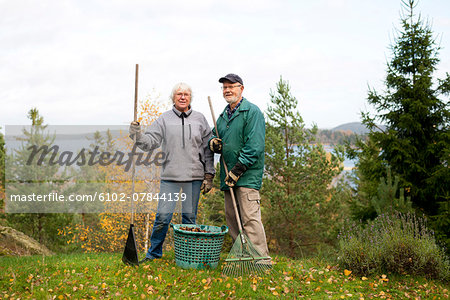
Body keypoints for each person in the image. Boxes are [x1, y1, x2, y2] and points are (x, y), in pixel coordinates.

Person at [129, 82, 215, 263]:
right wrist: (137, 135)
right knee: (162, 217)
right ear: (173, 98)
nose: (182, 97)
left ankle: (188, 255)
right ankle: (153, 254)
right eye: (178, 94)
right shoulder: (164, 119)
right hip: (170, 177)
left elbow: (209, 148)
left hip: (194, 177)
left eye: (186, 94)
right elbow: (148, 142)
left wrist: (209, 175)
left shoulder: (200, 119)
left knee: (189, 219)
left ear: (190, 98)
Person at [209, 73, 270, 261]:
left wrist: (238, 170)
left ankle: (260, 261)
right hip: (228, 177)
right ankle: (244, 257)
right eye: (224, 87)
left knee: (250, 220)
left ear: (241, 89)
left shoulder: (252, 112)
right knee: (233, 220)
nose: (227, 90)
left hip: (246, 177)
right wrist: (213, 142)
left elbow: (255, 146)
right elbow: (213, 135)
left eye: (231, 86)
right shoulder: (222, 117)